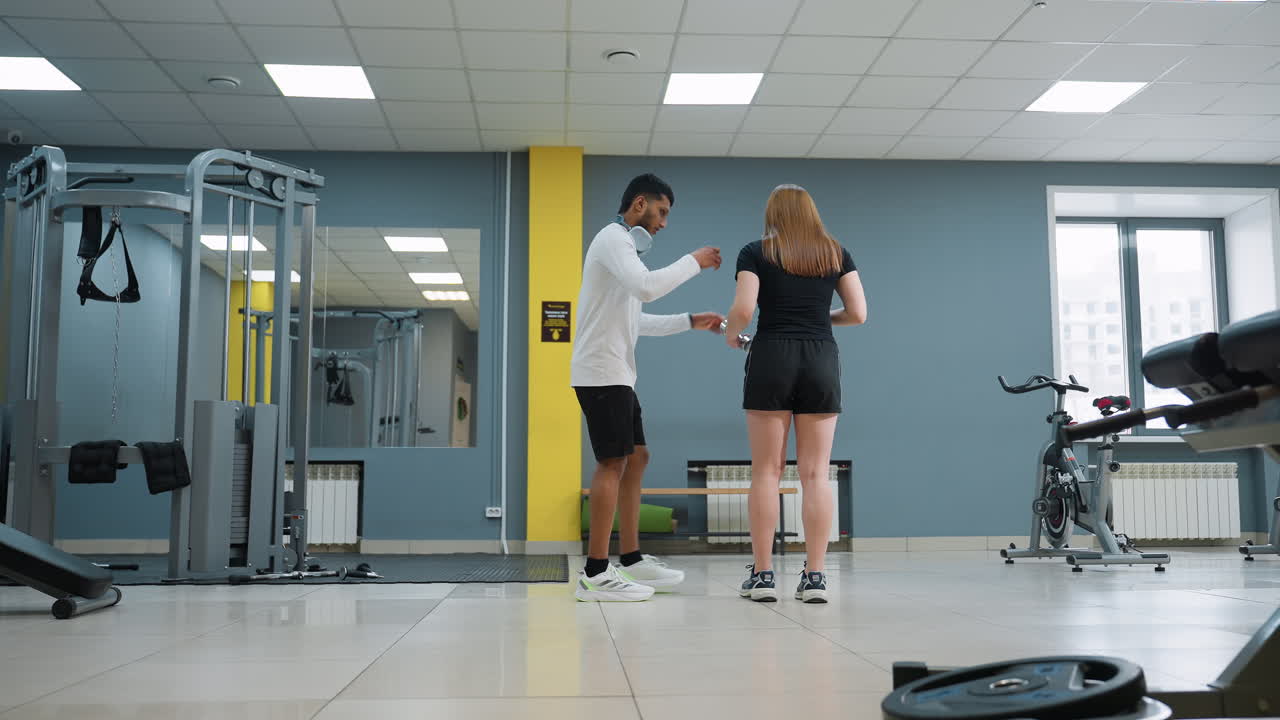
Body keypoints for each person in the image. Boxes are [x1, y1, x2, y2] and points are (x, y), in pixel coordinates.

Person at [572, 173, 725, 602]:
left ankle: (631, 557)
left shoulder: (622, 251)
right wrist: (694, 260)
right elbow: (648, 288)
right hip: (602, 373)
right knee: (612, 462)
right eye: (661, 212)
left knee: (637, 456)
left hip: (616, 373)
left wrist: (690, 321)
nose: (663, 223)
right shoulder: (613, 239)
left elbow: (636, 320)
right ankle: (595, 573)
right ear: (639, 204)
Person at [723, 184, 867, 604]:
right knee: (816, 473)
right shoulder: (835, 253)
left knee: (766, 472)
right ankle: (816, 577)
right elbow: (858, 313)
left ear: (773, 214)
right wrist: (818, 318)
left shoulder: (755, 252)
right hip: (820, 356)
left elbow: (744, 309)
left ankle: (763, 576)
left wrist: (732, 335)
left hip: (771, 354)